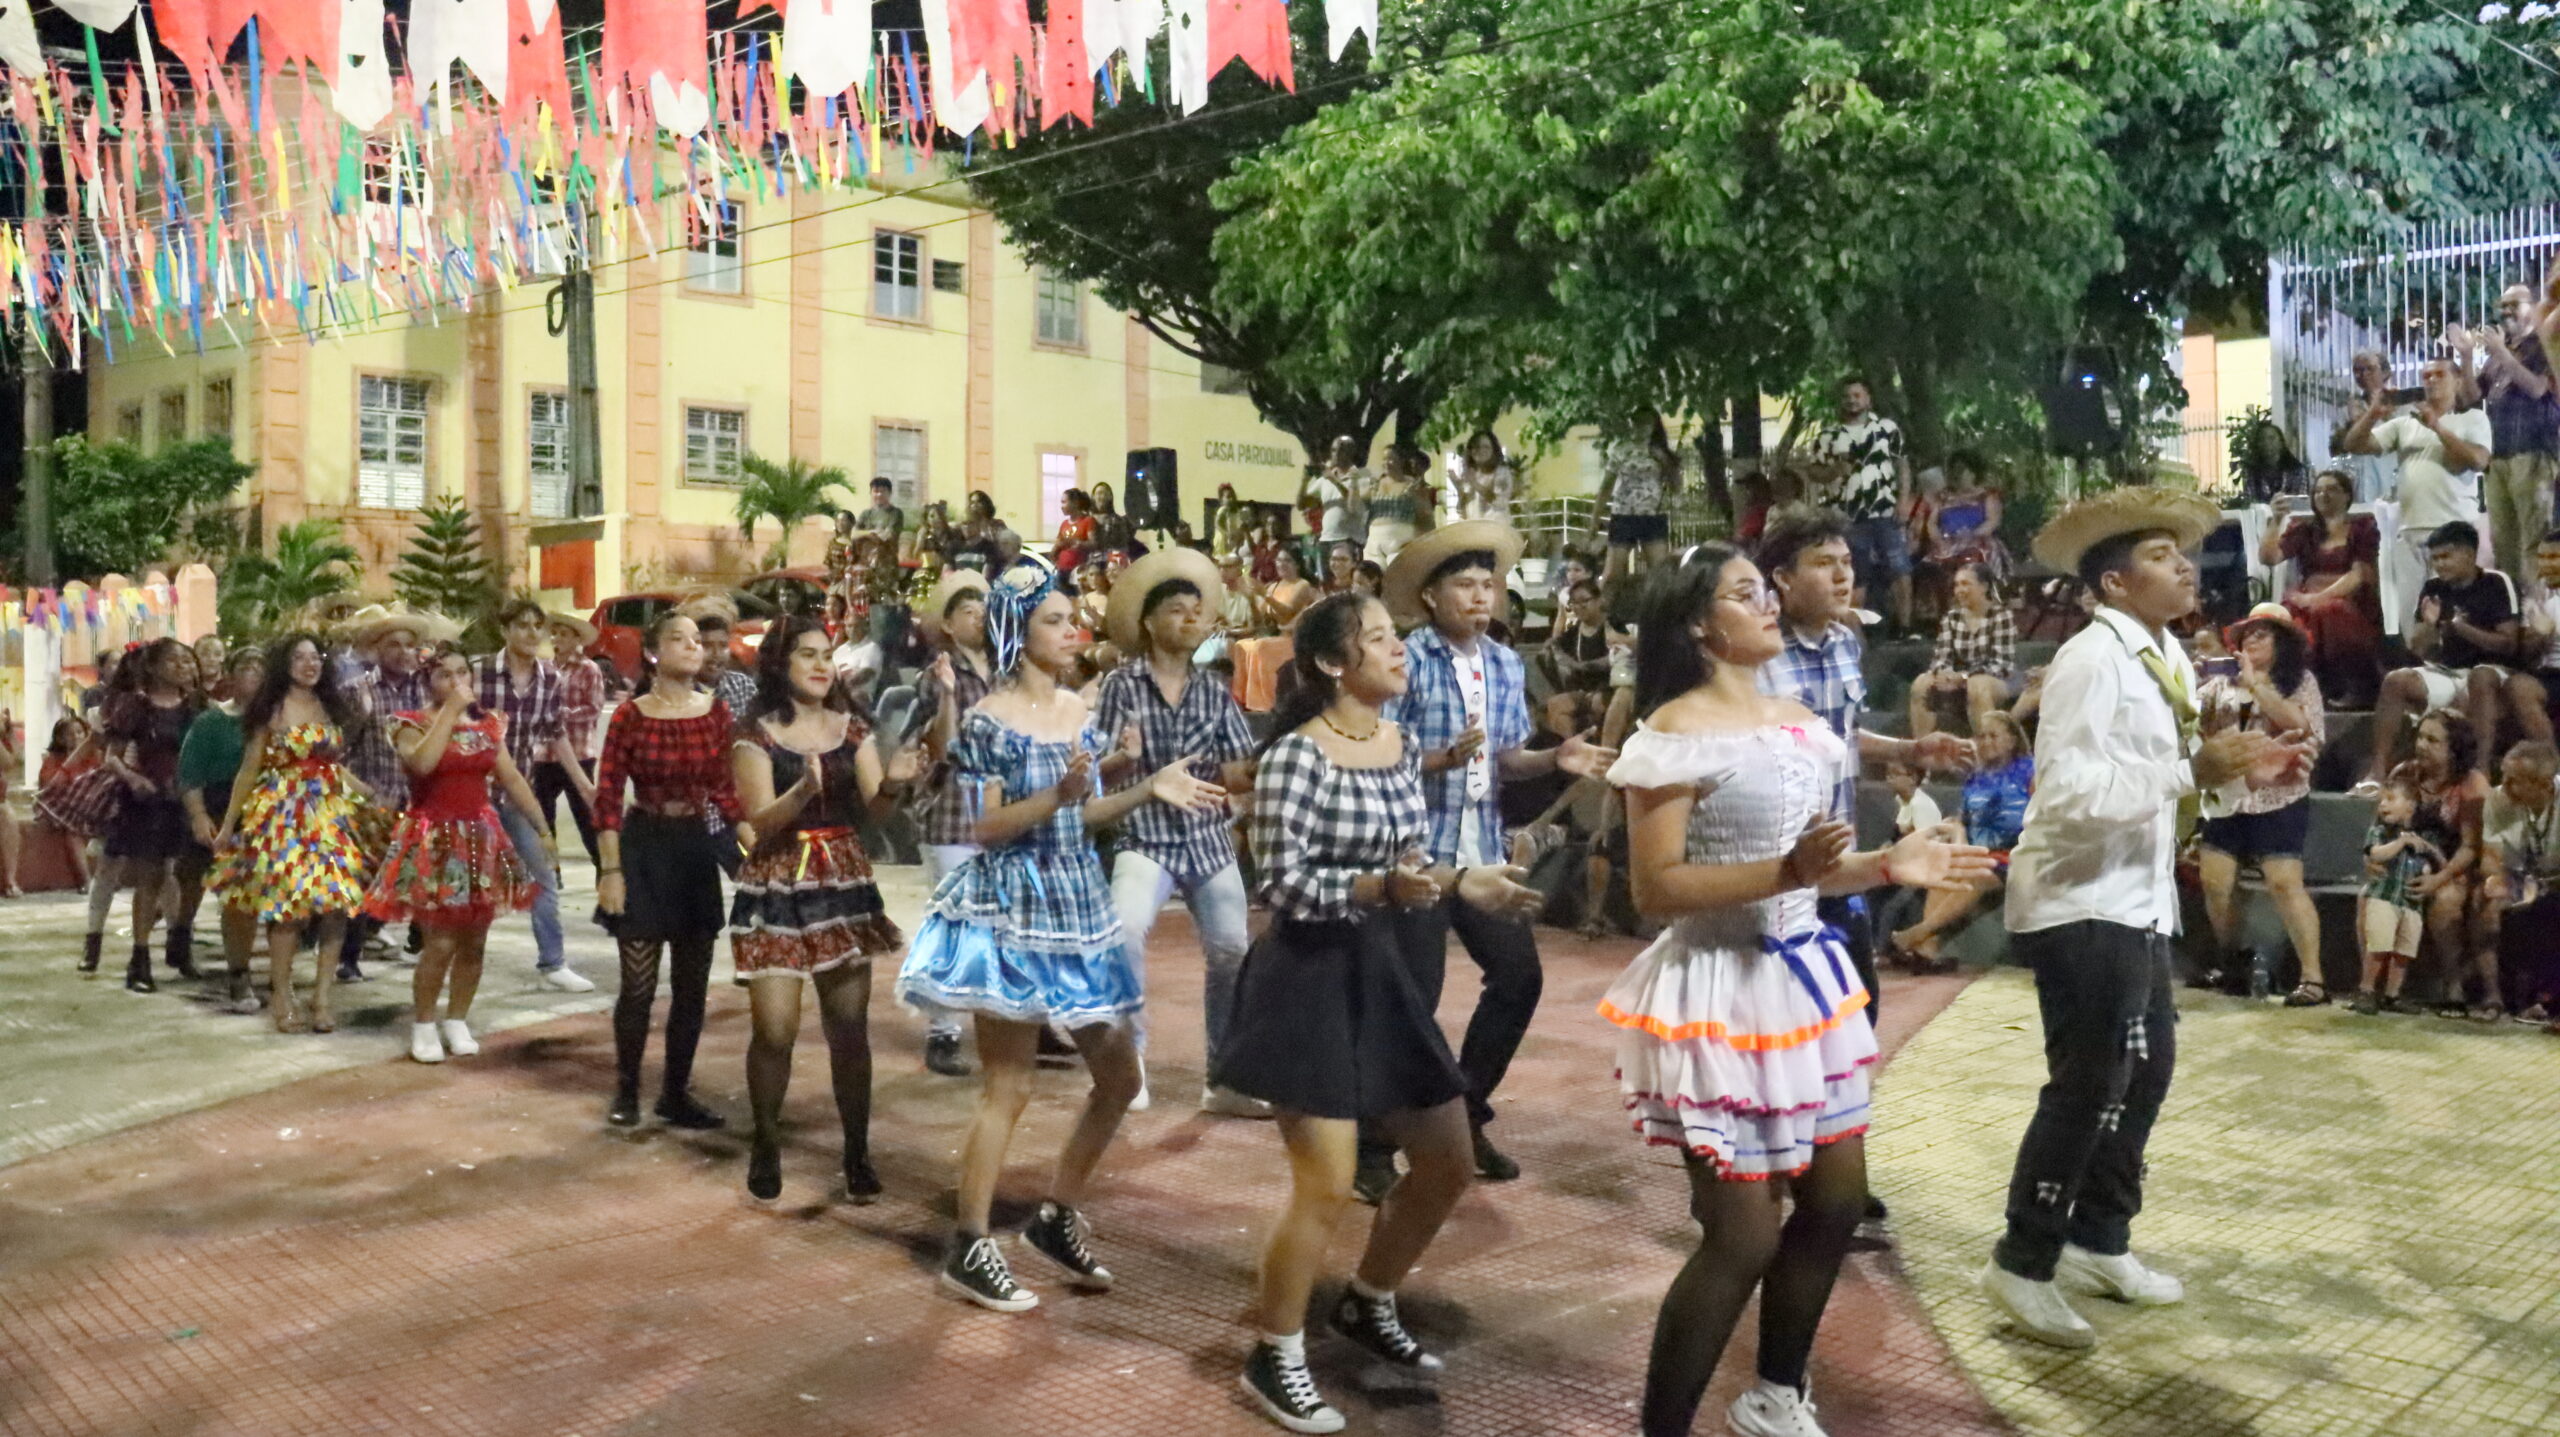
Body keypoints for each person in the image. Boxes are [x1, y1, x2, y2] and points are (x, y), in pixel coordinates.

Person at [1606, 543, 1991, 1437]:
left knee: (1836, 1202)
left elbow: (1817, 872)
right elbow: (1656, 888)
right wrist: (1787, 871)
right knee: (1740, 1237)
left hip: (1802, 980)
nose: (1767, 603)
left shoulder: (1800, 724)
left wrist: (1889, 862)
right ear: (1697, 623)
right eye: (1744, 594)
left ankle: (1776, 1393)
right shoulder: (1671, 734)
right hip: (1716, 990)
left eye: (1763, 589)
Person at [1211, 590, 1548, 1435]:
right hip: (1307, 976)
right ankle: (1273, 1352)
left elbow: (1414, 860)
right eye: (1380, 638)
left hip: (1379, 968)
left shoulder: (1397, 744)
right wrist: (1378, 887)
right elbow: (1281, 883)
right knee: (1326, 1181)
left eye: (1396, 635)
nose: (1400, 649)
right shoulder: (1296, 756)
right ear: (1333, 663)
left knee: (1447, 1160)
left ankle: (1368, 1298)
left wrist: (1467, 880)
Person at [1981, 487, 2298, 1351]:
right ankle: (2022, 1258)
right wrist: (2194, 769)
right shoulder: (2091, 659)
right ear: (2115, 583)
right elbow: (2070, 793)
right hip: (2081, 897)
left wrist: (2225, 768)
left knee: (2145, 1073)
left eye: (2179, 552)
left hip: (2136, 895)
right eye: (2160, 556)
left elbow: (2168, 783)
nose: (2184, 566)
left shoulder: (2167, 659)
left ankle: (2098, 1237)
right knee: (2089, 1084)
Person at [896, 558, 1226, 1313]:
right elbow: (985, 826)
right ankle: (969, 1243)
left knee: (1120, 1077)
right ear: (1018, 631)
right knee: (1009, 1085)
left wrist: (1144, 784)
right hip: (1012, 903)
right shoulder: (988, 719)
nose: (1074, 629)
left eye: (1074, 618)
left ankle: (1056, 1214)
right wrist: (1061, 792)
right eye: (1055, 620)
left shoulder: (1082, 711)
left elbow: (1088, 812)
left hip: (1078, 901)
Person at [1371, 519, 1617, 1195]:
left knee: (1518, 977)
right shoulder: (1404, 660)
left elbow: (1506, 759)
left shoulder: (1506, 663)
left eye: (1488, 584)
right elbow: (1376, 755)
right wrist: (1439, 760)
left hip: (1479, 849)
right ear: (1430, 597)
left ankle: (1465, 1114)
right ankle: (1373, 1143)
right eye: (1465, 585)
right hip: (1416, 851)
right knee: (1414, 1000)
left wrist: (1557, 756)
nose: (1481, 596)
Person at [1756, 506, 1975, 1033]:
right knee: (1787, 1029)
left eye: (1847, 562)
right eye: (1823, 563)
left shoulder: (1845, 643)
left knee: (1858, 1019)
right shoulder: (1757, 654)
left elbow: (1841, 735)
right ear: (1782, 578)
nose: (1842, 575)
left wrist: (1911, 749)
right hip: (1776, 869)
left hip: (1841, 862)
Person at [731, 616, 915, 1203]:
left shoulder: (852, 728)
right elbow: (760, 824)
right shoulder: (755, 735)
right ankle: (766, 1139)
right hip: (777, 882)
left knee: (849, 1029)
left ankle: (857, 1151)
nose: (820, 665)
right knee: (775, 1031)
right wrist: (801, 792)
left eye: (826, 654)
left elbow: (876, 814)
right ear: (779, 663)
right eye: (806, 654)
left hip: (842, 882)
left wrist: (896, 784)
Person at [1096, 549, 1266, 1118]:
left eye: (1197, 611)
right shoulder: (1120, 686)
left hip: (1207, 838)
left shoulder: (1215, 690)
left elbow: (1239, 769)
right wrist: (1125, 761)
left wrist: (1272, 762)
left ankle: (1226, 1078)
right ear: (1148, 622)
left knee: (1233, 952)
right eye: (1177, 610)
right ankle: (1130, 1066)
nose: (1192, 619)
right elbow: (1095, 774)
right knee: (1124, 935)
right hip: (1144, 835)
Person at [592, 611, 742, 1129]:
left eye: (697, 639)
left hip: (694, 847)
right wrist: (611, 870)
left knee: (691, 986)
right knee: (637, 984)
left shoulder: (717, 712)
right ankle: (627, 1088)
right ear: (654, 652)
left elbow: (727, 792)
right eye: (679, 639)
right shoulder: (630, 716)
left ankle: (675, 1093)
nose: (694, 647)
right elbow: (607, 796)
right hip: (644, 845)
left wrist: (754, 850)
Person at [366, 645, 544, 1065]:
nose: (457, 681)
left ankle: (457, 1019)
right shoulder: (408, 723)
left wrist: (542, 828)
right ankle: (424, 1023)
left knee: (475, 941)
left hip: (481, 838)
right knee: (440, 941)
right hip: (434, 840)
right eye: (445, 674)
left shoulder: (488, 726)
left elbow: (511, 778)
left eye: (463, 672)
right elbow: (423, 765)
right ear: (427, 681)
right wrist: (449, 712)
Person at [208, 634, 379, 1034]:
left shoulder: (330, 705)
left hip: (329, 812)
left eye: (315, 656)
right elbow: (249, 769)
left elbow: (331, 764)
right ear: (284, 665)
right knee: (288, 908)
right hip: (283, 814)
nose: (309, 664)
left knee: (336, 905)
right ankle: (282, 992)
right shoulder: (270, 709)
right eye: (299, 657)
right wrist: (229, 824)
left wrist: (364, 792)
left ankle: (322, 996)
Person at [2193, 605, 2327, 1003]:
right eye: (2247, 634)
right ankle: (2233, 963)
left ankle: (2314, 979)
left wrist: (2257, 686)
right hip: (2228, 793)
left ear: (2283, 643)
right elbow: (2193, 721)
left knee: (2284, 883)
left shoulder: (2300, 681)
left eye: (2262, 633)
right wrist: (2192, 685)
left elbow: (2300, 725)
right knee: (2214, 882)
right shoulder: (2222, 682)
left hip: (2279, 794)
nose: (2251, 639)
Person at [477, 599, 597, 993]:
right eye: (522, 625)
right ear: (505, 631)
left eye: (536, 626)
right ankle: (440, 951)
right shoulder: (480, 673)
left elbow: (555, 732)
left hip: (518, 794)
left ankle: (553, 962)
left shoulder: (549, 678)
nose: (531, 633)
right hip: (475, 794)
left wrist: (583, 784)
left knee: (543, 874)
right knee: (466, 881)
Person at [909, 569, 997, 1079]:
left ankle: (1016, 1022)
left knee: (1004, 921)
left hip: (999, 812)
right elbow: (939, 747)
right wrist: (946, 696)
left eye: (984, 610)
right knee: (954, 921)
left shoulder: (1006, 671)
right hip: (951, 810)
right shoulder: (937, 676)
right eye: (968, 611)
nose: (980, 618)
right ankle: (943, 1030)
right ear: (947, 624)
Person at [2337, 356, 2494, 630]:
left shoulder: (2473, 418)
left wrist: (2437, 427)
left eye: (2439, 375)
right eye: (2426, 376)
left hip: (2453, 531)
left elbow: (2479, 460)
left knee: (2454, 616)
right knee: (2412, 617)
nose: (2431, 381)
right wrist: (2373, 413)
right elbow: (2353, 444)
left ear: (2458, 381)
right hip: (2409, 531)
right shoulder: (2405, 423)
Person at [2363, 521, 2521, 790]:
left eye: (2446, 557)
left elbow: (2508, 644)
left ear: (2469, 554)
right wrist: (2430, 626)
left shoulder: (2496, 582)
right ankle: (2377, 772)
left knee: (2481, 676)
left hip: (2493, 671)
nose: (2439, 565)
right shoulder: (2433, 587)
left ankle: (2480, 772)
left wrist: (2460, 628)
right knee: (2396, 680)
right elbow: (2418, 648)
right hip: (2447, 671)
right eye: (2435, 558)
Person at [337, 606, 448, 984]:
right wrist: (363, 793)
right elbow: (337, 750)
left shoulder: (427, 690)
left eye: (408, 645)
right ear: (378, 649)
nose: (403, 652)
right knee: (364, 880)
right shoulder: (358, 691)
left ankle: (421, 943)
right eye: (394, 645)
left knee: (422, 876)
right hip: (373, 800)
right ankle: (348, 957)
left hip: (419, 800)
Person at [94, 638, 206, 993]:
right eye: (174, 660)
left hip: (191, 799)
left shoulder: (198, 705)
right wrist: (134, 778)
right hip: (150, 801)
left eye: (187, 660)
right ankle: (139, 959)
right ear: (154, 667)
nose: (183, 667)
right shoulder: (136, 707)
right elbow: (111, 757)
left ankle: (180, 939)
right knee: (151, 878)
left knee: (192, 874)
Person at [1889, 710, 2031, 974]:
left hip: (2015, 853)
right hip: (1979, 850)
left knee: (1977, 872)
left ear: (2011, 740)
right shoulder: (1975, 777)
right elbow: (1963, 819)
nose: (1986, 742)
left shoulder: (2029, 770)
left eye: (1993, 736)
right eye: (1981, 736)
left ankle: (1917, 933)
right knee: (1946, 869)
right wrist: (1959, 838)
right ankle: (1927, 950)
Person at [179, 646, 267, 1014]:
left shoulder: (280, 719)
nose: (255, 673)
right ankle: (235, 971)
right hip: (221, 807)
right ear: (231, 675)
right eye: (247, 667)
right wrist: (199, 815)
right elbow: (190, 773)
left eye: (262, 667)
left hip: (270, 811)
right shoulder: (212, 721)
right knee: (230, 894)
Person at [2263, 469, 2384, 708]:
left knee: (2329, 610)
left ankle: (2352, 688)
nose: (2323, 495)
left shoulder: (2362, 528)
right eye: (2318, 491)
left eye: (2331, 489)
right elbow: (2269, 557)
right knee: (2282, 614)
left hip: (2350, 598)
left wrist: (2317, 597)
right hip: (2310, 595)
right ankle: (2296, 688)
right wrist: (2275, 521)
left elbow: (2358, 575)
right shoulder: (2305, 530)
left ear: (2347, 495)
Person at [2468, 285, 2559, 580]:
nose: (2506, 311)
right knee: (2503, 543)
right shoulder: (2498, 353)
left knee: (2535, 540)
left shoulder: (2542, 344)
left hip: (2532, 454)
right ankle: (2513, 603)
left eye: (2514, 305)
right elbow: (2470, 397)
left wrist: (2502, 353)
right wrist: (2466, 356)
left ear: (2532, 307)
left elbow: (2537, 389)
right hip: (2498, 460)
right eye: (2502, 305)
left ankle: (2540, 605)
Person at [1811, 379, 1914, 632]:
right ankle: (1855, 631)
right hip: (1847, 514)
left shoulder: (1886, 429)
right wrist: (1834, 470)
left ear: (1868, 399)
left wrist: (1903, 501)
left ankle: (1905, 627)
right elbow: (1814, 471)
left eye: (1857, 395)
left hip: (1885, 510)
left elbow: (1902, 465)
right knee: (1855, 573)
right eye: (1847, 396)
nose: (1852, 400)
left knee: (1898, 567)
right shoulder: (1829, 435)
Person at [2475, 739, 2559, 1022]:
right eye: (2504, 776)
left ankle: (2548, 1001)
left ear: (2543, 785)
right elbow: (2490, 860)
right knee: (2485, 903)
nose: (2505, 786)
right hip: (2522, 880)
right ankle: (2494, 998)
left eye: (2515, 780)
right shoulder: (2497, 800)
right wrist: (2498, 884)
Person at [2351, 770, 2446, 1015]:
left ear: (2410, 806)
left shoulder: (2423, 836)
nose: (2383, 804)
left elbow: (2435, 862)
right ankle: (2366, 989)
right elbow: (2375, 853)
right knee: (2378, 946)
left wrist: (2427, 857)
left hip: (2410, 903)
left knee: (2403, 952)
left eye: (2391, 799)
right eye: (2382, 800)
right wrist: (2401, 842)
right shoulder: (2380, 832)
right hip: (2385, 897)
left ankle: (2392, 994)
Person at [1905, 563, 2016, 738]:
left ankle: (1986, 749)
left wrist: (1964, 677)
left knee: (1977, 685)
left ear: (1983, 587)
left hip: (1996, 680)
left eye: (1965, 584)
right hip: (1957, 678)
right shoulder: (1952, 617)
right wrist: (1944, 674)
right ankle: (1923, 748)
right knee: (1921, 683)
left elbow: (2000, 665)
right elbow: (1941, 658)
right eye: (1956, 585)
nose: (1959, 590)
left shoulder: (2001, 616)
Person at [546, 612, 607, 865]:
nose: (557, 639)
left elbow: (594, 708)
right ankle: (550, 872)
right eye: (555, 633)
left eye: (564, 634)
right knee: (543, 819)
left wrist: (564, 715)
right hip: (546, 755)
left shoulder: (589, 669)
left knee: (586, 817)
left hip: (579, 752)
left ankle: (605, 869)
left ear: (576, 639)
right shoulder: (545, 668)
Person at [1598, 413, 1675, 583]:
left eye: (1646, 423)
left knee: (1659, 572)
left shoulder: (1661, 452)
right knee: (1613, 574)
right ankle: (1606, 600)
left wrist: (1664, 460)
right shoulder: (1622, 449)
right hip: (1623, 514)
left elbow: (1675, 482)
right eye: (1637, 423)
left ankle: (1657, 600)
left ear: (1654, 426)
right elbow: (1606, 486)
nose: (1641, 428)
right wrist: (1594, 522)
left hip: (1653, 515)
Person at [2330, 349, 2403, 504]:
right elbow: (2335, 449)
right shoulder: (2347, 409)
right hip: (2359, 484)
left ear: (2385, 372)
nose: (2363, 374)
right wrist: (2352, 423)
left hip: (2392, 479)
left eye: (2370, 368)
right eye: (2357, 370)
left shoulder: (2400, 404)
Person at [1540, 577, 1616, 695]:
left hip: (1610, 686)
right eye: (1574, 603)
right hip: (1581, 688)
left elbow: (1616, 658)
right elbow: (1557, 645)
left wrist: (1581, 666)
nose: (1578, 606)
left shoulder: (1614, 625)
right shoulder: (1575, 631)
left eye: (1584, 601)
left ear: (1599, 600)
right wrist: (1552, 647)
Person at [1361, 445, 1433, 565]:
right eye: (1384, 459)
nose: (1386, 463)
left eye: (1390, 459)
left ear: (1401, 461)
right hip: (1375, 541)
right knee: (1373, 572)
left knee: (1397, 571)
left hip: (1400, 541)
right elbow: (1356, 505)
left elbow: (1426, 514)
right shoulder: (1375, 485)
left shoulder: (1411, 485)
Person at [1301, 436, 1369, 555]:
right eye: (1333, 450)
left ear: (1351, 452)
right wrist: (1304, 481)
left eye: (1341, 450)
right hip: (1326, 539)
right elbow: (1301, 504)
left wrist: (1334, 481)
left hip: (1350, 540)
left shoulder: (1362, 475)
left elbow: (1354, 505)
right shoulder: (1325, 479)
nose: (1336, 454)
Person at [1446, 428, 1518, 523]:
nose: (1481, 450)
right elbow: (1462, 514)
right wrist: (1459, 490)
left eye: (1486, 447)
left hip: (1496, 528)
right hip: (1474, 529)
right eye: (1477, 447)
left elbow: (1500, 502)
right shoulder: (1470, 474)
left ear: (1494, 450)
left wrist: (1474, 483)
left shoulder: (1502, 472)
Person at [1054, 487, 1100, 573]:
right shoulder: (1064, 524)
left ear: (1075, 503)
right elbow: (1057, 545)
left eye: (1064, 502)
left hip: (1079, 570)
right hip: (1062, 569)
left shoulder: (1088, 521)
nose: (1061, 507)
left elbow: (1094, 544)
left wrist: (1079, 544)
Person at [858, 475, 907, 545]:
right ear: (870, 493)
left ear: (890, 493)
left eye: (883, 491)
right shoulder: (866, 513)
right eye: (876, 491)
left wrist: (864, 534)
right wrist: (870, 532)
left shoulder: (896, 513)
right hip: (866, 551)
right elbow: (854, 534)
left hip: (887, 550)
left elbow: (887, 536)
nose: (879, 494)